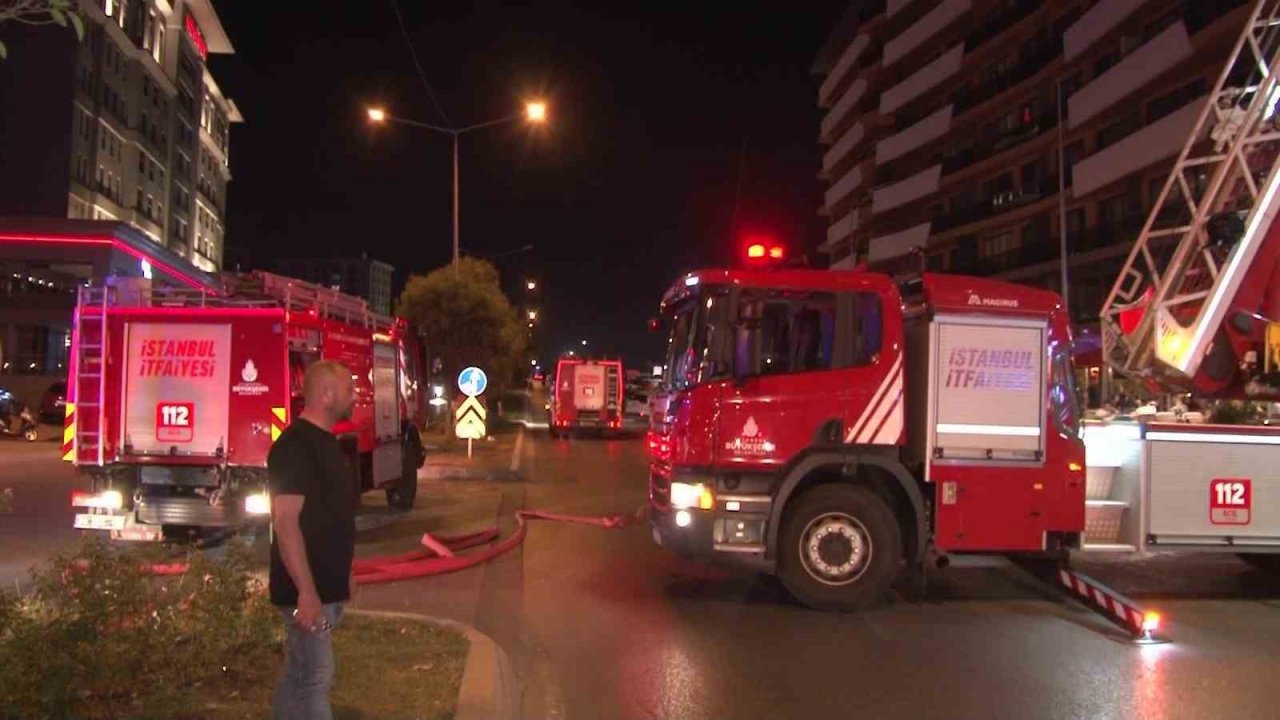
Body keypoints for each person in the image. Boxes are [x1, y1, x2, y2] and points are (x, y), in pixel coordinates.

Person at [269, 360, 357, 720]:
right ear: (326, 394)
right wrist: (307, 592)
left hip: (324, 588)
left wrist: (345, 574)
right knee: (316, 677)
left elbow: (332, 517)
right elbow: (286, 522)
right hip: (306, 593)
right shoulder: (295, 447)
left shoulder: (327, 444)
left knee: (299, 675)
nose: (354, 396)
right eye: (349, 388)